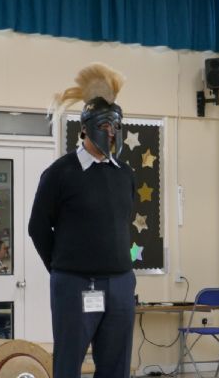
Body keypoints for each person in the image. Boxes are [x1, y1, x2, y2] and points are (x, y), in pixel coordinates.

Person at [28, 63, 136, 378]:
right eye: (103, 125)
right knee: (68, 364)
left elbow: (120, 224)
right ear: (85, 128)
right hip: (74, 285)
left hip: (120, 285)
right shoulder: (60, 173)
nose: (110, 132)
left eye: (115, 125)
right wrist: (63, 268)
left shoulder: (125, 174)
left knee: (117, 367)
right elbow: (37, 228)